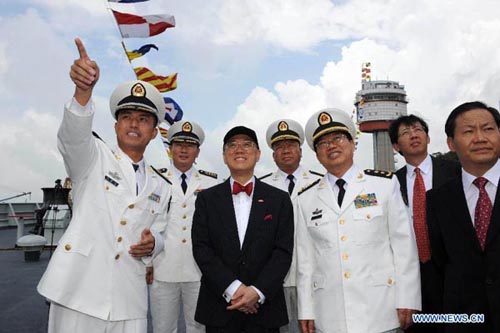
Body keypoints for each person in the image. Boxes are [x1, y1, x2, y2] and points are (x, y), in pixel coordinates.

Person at [37, 38, 171, 333]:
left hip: (129, 296)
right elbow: (73, 137)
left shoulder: (162, 186)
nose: (134, 123)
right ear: (115, 126)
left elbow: (160, 231)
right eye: (127, 117)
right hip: (79, 290)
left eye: (143, 119)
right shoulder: (92, 157)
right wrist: (83, 92)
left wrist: (154, 244)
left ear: (152, 132)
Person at [296, 108, 421, 333]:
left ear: (353, 143)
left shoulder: (383, 184)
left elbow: (404, 246)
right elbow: (306, 260)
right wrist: (306, 309)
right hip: (330, 315)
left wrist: (409, 298)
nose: (331, 146)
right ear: (316, 154)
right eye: (323, 143)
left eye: (338, 138)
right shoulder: (305, 199)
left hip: (381, 311)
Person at [191, 126, 294, 332]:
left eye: (247, 145)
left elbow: (282, 252)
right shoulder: (206, 199)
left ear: (258, 155)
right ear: (223, 155)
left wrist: (256, 291)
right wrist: (234, 289)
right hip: (220, 307)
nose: (239, 150)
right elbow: (202, 249)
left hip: (264, 308)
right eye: (232, 145)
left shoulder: (279, 199)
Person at [427, 101, 500, 333]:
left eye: (488, 129)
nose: (480, 138)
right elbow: (440, 261)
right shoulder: (437, 200)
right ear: (451, 143)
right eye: (468, 131)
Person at [389, 115, 460, 333]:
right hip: (413, 273)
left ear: (428, 137)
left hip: (452, 268)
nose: (413, 135)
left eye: (418, 129)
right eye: (405, 133)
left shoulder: (455, 171)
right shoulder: (390, 182)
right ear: (395, 146)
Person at [148, 120, 218, 333]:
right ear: (170, 149)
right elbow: (146, 223)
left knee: (198, 327)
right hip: (162, 267)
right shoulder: (154, 179)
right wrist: (146, 263)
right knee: (162, 328)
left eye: (190, 145)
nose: (184, 149)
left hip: (199, 271)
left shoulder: (211, 184)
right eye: (178, 144)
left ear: (198, 151)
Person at [260, 119, 323, 333]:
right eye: (279, 147)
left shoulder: (320, 183)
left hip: (316, 275)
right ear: (273, 154)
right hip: (276, 279)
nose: (285, 151)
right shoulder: (262, 186)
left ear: (300, 151)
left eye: (290, 145)